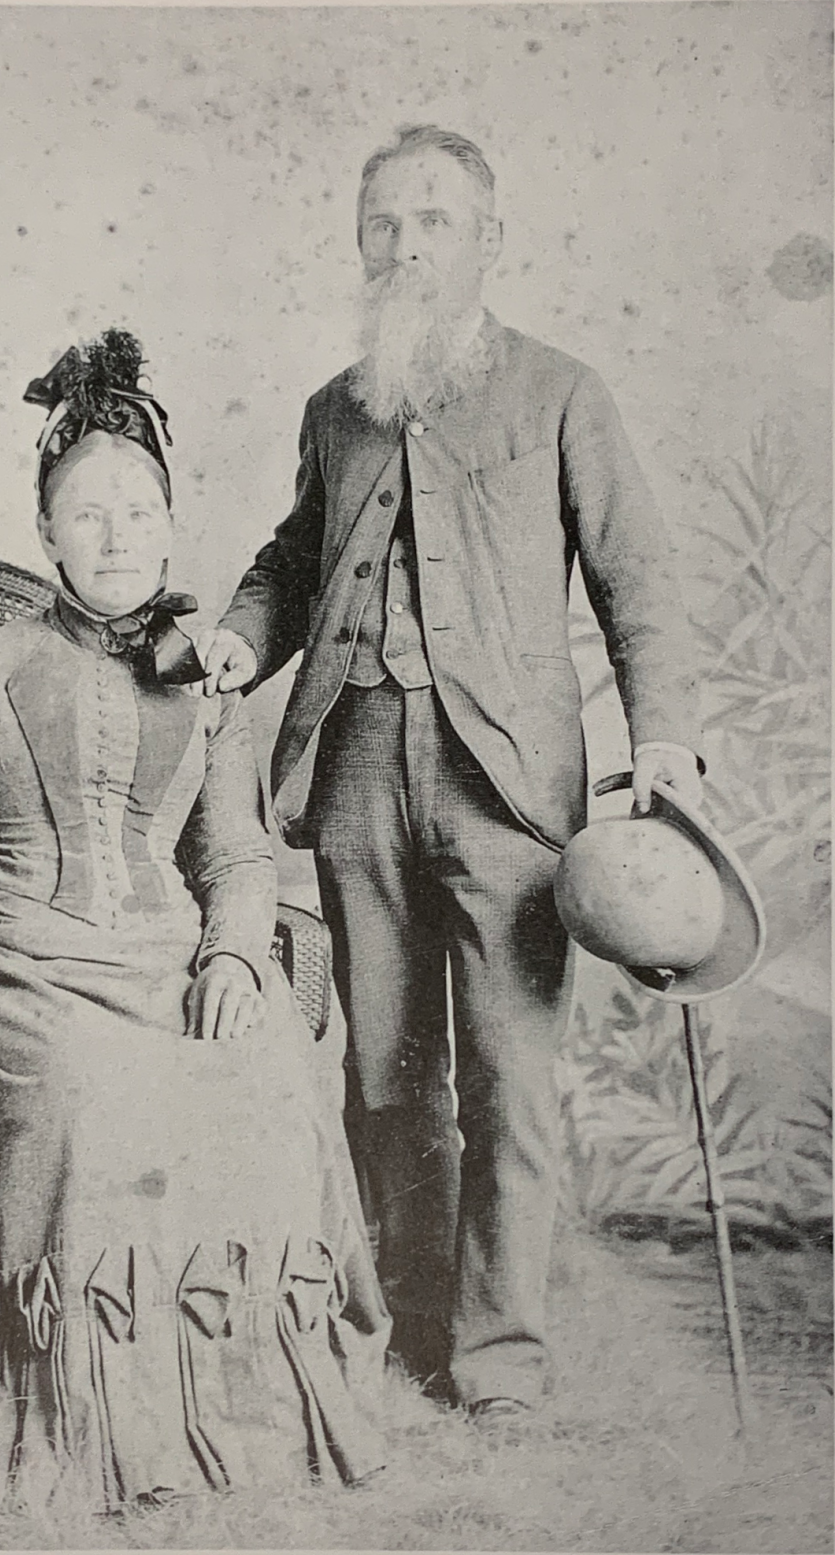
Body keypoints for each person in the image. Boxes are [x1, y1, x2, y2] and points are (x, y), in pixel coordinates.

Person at [0, 329, 389, 1511]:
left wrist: (236, 953)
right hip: (25, 965)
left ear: (171, 525)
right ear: (45, 534)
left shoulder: (210, 680)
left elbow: (237, 850)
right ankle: (87, 1419)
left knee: (269, 1075)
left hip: (166, 956)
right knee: (96, 1097)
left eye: (140, 510)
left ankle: (245, 1411)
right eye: (88, 514)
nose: (118, 534)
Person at [199, 125, 705, 1417]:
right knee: (381, 1071)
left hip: (510, 789)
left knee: (507, 1077)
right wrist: (234, 638)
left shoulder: (560, 392)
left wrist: (659, 740)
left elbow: (636, 575)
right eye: (382, 222)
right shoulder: (333, 407)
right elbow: (290, 562)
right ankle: (397, 1314)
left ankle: (498, 1356)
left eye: (432, 218)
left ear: (489, 238)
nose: (405, 243)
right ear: (357, 243)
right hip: (356, 762)